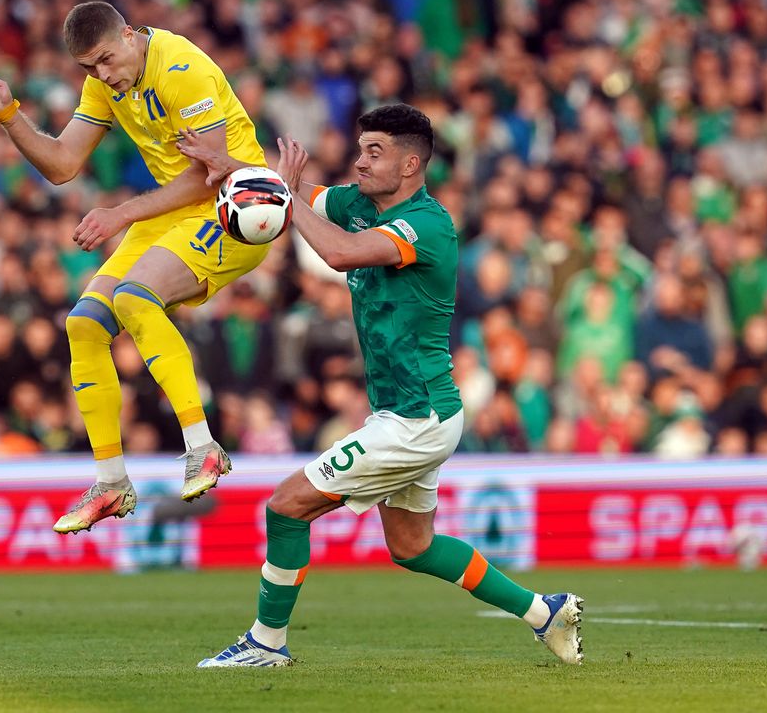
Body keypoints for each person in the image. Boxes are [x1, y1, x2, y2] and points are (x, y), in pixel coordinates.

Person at [180, 105, 583, 667]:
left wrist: (288, 197)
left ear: (411, 163)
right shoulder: (359, 204)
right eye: (360, 148)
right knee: (412, 546)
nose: (360, 161)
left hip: (417, 418)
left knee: (287, 505)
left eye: (375, 152)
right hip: (412, 412)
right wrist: (227, 165)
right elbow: (283, 191)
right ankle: (545, 612)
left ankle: (266, 644)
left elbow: (338, 251)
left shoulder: (429, 224)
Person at [0, 1, 270, 532]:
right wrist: (10, 117)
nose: (102, 75)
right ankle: (110, 483)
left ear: (130, 35)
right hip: (170, 213)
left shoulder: (182, 68)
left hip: (237, 205)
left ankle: (203, 448)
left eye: (106, 60)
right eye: (88, 68)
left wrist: (119, 214)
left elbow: (210, 173)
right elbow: (61, 165)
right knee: (83, 323)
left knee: (133, 296)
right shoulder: (104, 83)